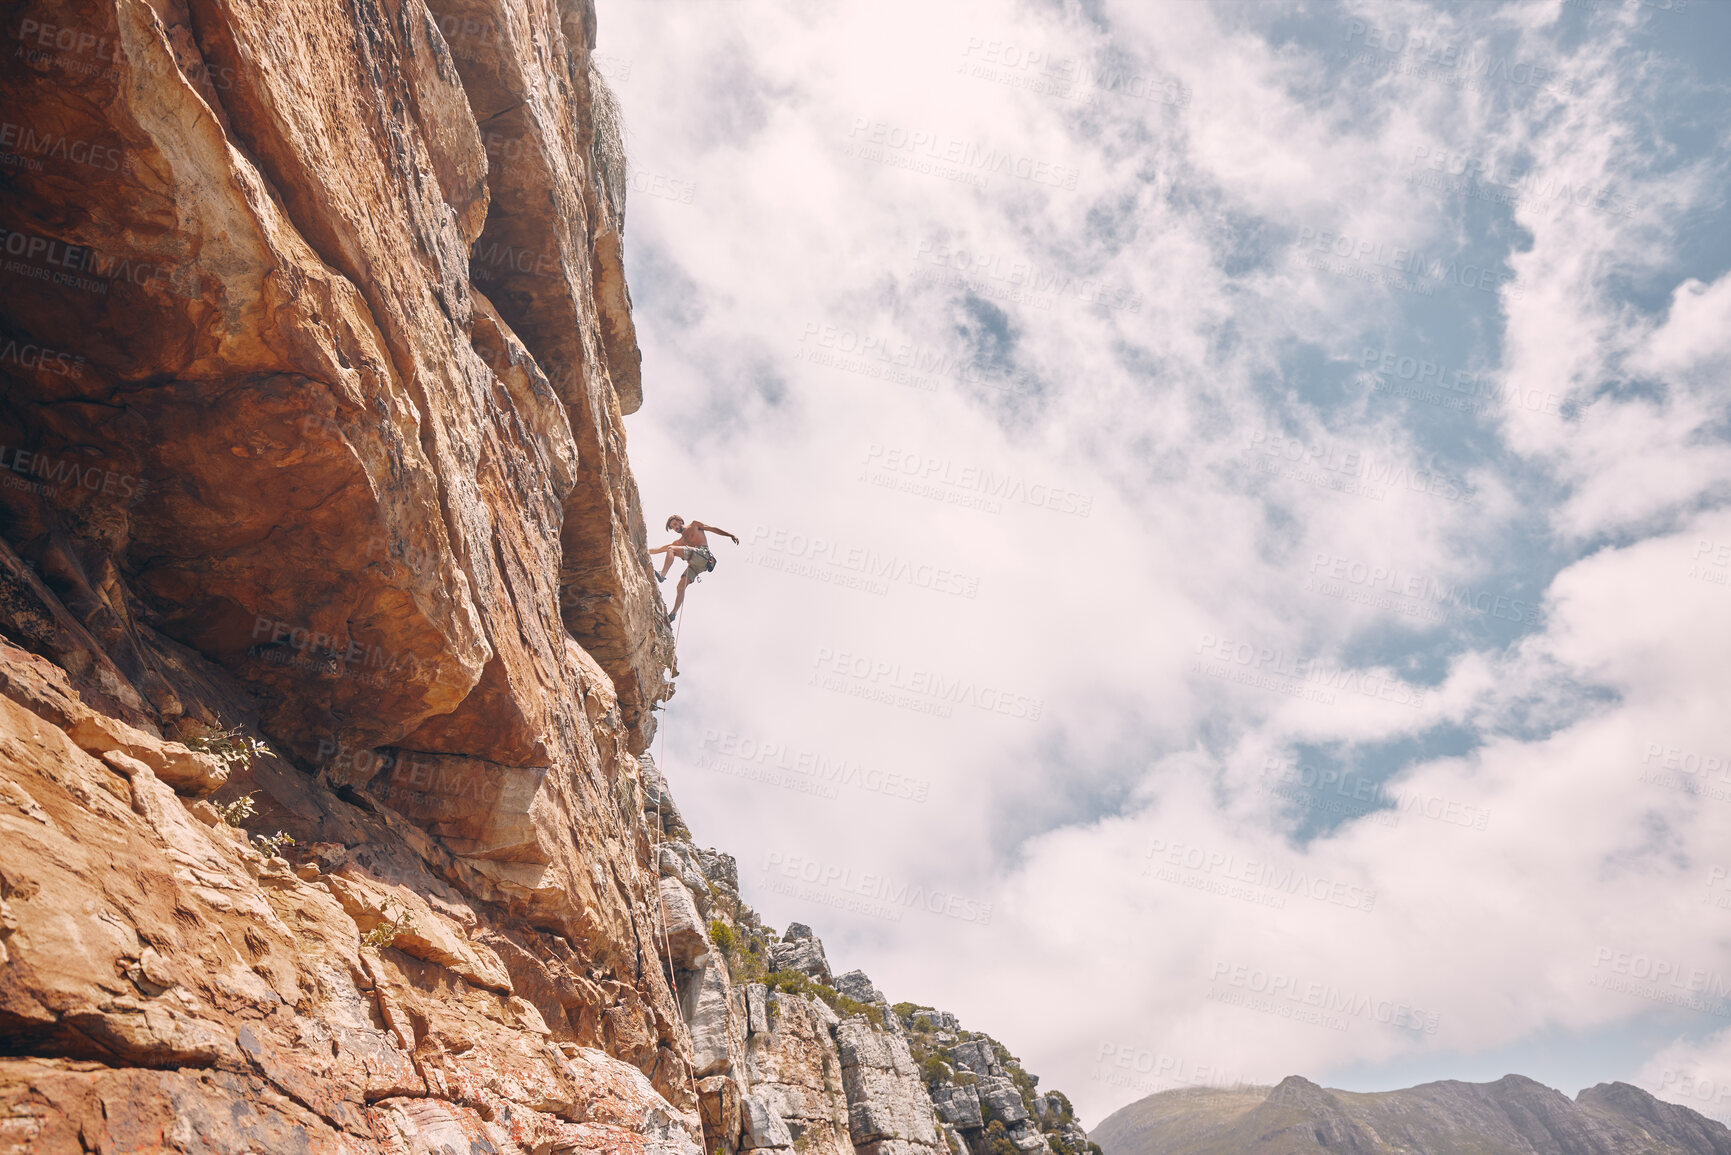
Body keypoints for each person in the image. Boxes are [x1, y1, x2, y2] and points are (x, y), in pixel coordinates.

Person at [649, 515, 738, 623]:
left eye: (676, 524)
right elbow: (661, 549)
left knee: (671, 549)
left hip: (703, 554)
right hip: (696, 565)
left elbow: (712, 529)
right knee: (681, 586)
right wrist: (646, 549)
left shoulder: (694, 525)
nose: (675, 528)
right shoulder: (680, 541)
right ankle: (673, 614)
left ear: (681, 521)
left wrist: (730, 535)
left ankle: (662, 575)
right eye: (673, 527)